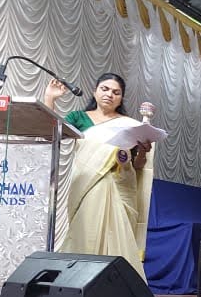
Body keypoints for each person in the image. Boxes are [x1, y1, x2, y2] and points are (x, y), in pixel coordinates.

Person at [43, 73, 154, 280]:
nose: (110, 94)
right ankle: (77, 283)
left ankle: (119, 286)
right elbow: (52, 133)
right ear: (95, 92)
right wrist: (50, 98)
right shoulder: (79, 118)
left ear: (121, 98)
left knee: (120, 237)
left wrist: (142, 152)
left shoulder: (129, 124)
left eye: (116, 92)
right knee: (85, 233)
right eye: (105, 89)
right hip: (87, 185)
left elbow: (137, 166)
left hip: (121, 187)